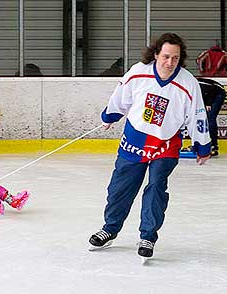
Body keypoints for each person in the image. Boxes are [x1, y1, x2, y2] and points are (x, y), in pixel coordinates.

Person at [88, 33, 211, 259]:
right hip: (134, 141)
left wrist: (202, 145)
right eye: (165, 57)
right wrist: (109, 116)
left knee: (156, 187)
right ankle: (110, 228)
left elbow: (197, 116)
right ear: (156, 54)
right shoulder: (138, 72)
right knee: (119, 189)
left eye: (175, 58)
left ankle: (147, 236)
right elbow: (120, 98)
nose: (170, 62)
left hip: (165, 145)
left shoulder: (188, 82)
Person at [198, 78, 226, 156]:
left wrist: (208, 103)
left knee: (210, 118)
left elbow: (212, 89)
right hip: (208, 94)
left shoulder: (195, 83)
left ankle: (213, 146)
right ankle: (201, 143)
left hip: (217, 93)